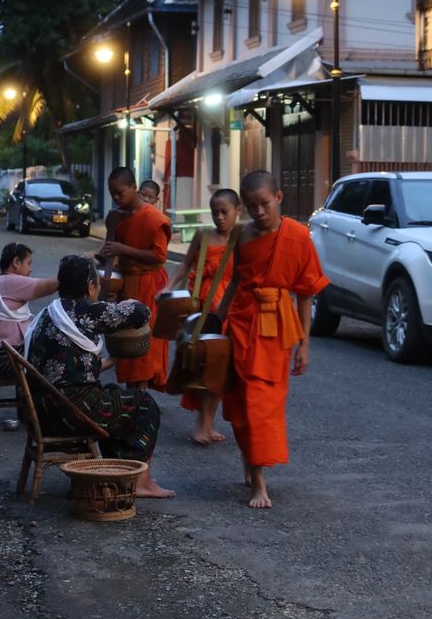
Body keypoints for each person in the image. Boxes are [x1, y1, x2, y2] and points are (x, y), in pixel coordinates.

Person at [217, 171, 329, 509]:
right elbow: (235, 281)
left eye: (265, 204)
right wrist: (215, 322)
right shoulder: (242, 236)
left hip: (278, 329)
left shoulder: (297, 236)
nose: (259, 212)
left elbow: (306, 293)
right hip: (241, 322)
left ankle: (259, 477)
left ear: (279, 198)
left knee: (264, 405)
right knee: (242, 404)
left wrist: (305, 344)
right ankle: (255, 472)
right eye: (252, 207)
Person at [26, 255, 175, 498]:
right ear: (89, 286)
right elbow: (141, 313)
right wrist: (115, 301)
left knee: (117, 394)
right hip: (73, 412)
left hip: (43, 409)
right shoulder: (86, 312)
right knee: (144, 405)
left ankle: (119, 474)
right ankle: (141, 480)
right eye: (96, 282)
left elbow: (73, 368)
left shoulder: (48, 314)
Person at [163, 188, 241, 445]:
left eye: (224, 212)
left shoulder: (243, 238)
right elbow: (185, 264)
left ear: (237, 212)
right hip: (203, 306)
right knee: (202, 364)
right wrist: (170, 287)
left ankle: (208, 421)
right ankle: (202, 423)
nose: (219, 217)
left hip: (229, 308)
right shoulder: (203, 235)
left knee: (220, 366)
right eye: (215, 212)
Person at [99, 167, 171, 391]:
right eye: (113, 194)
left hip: (149, 284)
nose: (117, 198)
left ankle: (139, 403)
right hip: (127, 286)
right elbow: (110, 254)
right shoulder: (116, 217)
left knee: (143, 347)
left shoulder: (153, 218)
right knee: (127, 343)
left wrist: (123, 248)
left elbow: (159, 255)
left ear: (134, 189)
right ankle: (134, 400)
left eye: (120, 192)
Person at [0, 242, 57, 376]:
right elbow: (53, 285)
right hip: (3, 358)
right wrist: (79, 265)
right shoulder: (10, 282)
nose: (30, 269)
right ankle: (39, 396)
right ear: (16, 262)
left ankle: (32, 396)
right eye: (28, 263)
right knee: (57, 362)